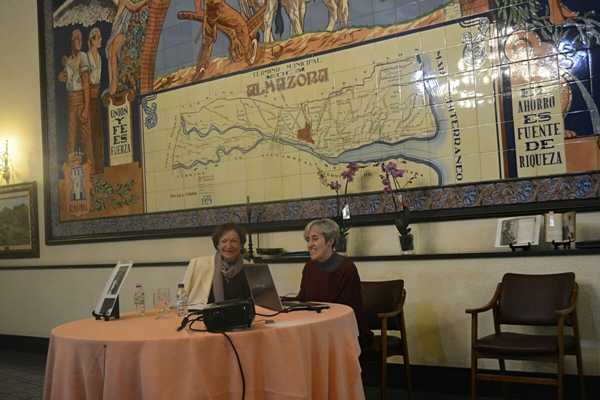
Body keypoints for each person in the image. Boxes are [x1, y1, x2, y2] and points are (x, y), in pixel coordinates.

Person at [295, 218, 372, 345]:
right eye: (308, 240)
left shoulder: (346, 267)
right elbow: (303, 299)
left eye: (315, 239)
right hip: (316, 326)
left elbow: (348, 309)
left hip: (344, 330)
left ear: (330, 241)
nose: (309, 245)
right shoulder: (309, 267)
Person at [183, 223, 251, 306]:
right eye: (224, 241)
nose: (228, 246)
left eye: (234, 241)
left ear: (241, 245)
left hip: (241, 314)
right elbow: (182, 296)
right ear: (218, 245)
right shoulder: (198, 264)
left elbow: (256, 301)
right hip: (203, 313)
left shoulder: (249, 267)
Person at [58, 29, 93, 167]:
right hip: (71, 99)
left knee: (85, 135)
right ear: (71, 41)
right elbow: (64, 77)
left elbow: (86, 83)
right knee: (71, 134)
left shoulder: (83, 56)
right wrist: (62, 75)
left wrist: (86, 107)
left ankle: (90, 166)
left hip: (81, 98)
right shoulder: (69, 60)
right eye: (75, 38)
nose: (78, 41)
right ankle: (71, 168)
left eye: (80, 38)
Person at [86, 27, 105, 174]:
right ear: (92, 40)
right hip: (89, 96)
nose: (100, 40)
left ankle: (100, 166)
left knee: (99, 132)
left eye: (100, 37)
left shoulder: (99, 56)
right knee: (91, 133)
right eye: (98, 37)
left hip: (97, 96)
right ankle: (92, 167)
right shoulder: (86, 57)